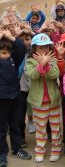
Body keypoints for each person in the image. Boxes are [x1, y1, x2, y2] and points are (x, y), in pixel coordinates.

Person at [26, 33, 61, 163]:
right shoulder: (30, 61)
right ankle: (40, 150)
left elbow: (55, 74)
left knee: (55, 127)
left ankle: (56, 149)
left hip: (53, 101)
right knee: (40, 128)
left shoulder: (53, 59)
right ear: (34, 48)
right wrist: (40, 64)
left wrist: (47, 63)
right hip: (39, 102)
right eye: (40, 47)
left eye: (46, 46)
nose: (44, 49)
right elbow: (32, 75)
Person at [0, 30, 32, 167]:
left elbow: (21, 48)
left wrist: (11, 37)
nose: (5, 55)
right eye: (2, 52)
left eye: (7, 52)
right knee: (1, 128)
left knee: (16, 125)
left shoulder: (14, 59)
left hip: (15, 96)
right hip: (1, 99)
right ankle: (2, 153)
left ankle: (17, 149)